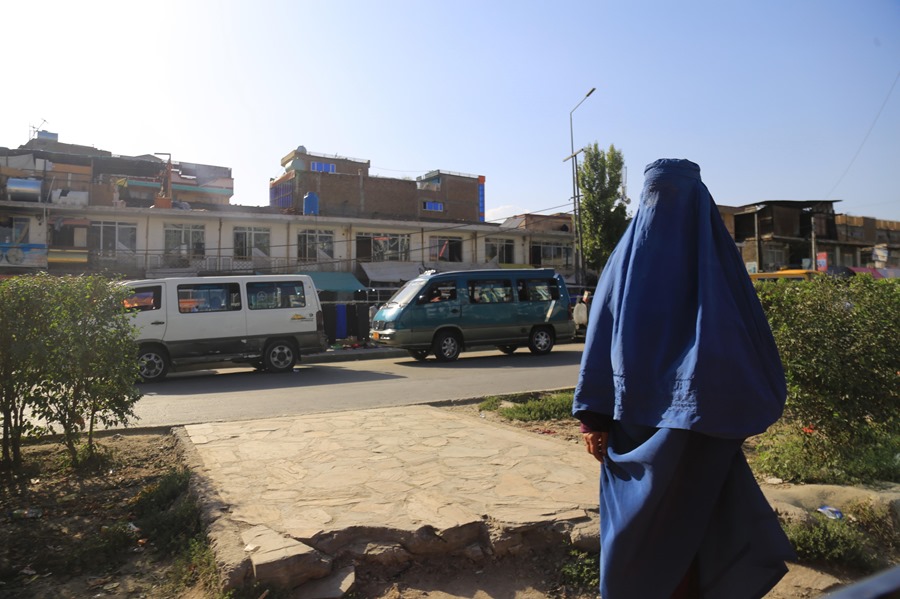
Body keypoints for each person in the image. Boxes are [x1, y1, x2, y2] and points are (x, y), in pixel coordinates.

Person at [572, 159, 795, 599]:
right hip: (637, 429)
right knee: (633, 546)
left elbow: (744, 342)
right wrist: (591, 419)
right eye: (658, 197)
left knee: (699, 540)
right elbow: (601, 336)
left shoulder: (717, 265)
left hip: (699, 433)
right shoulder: (627, 261)